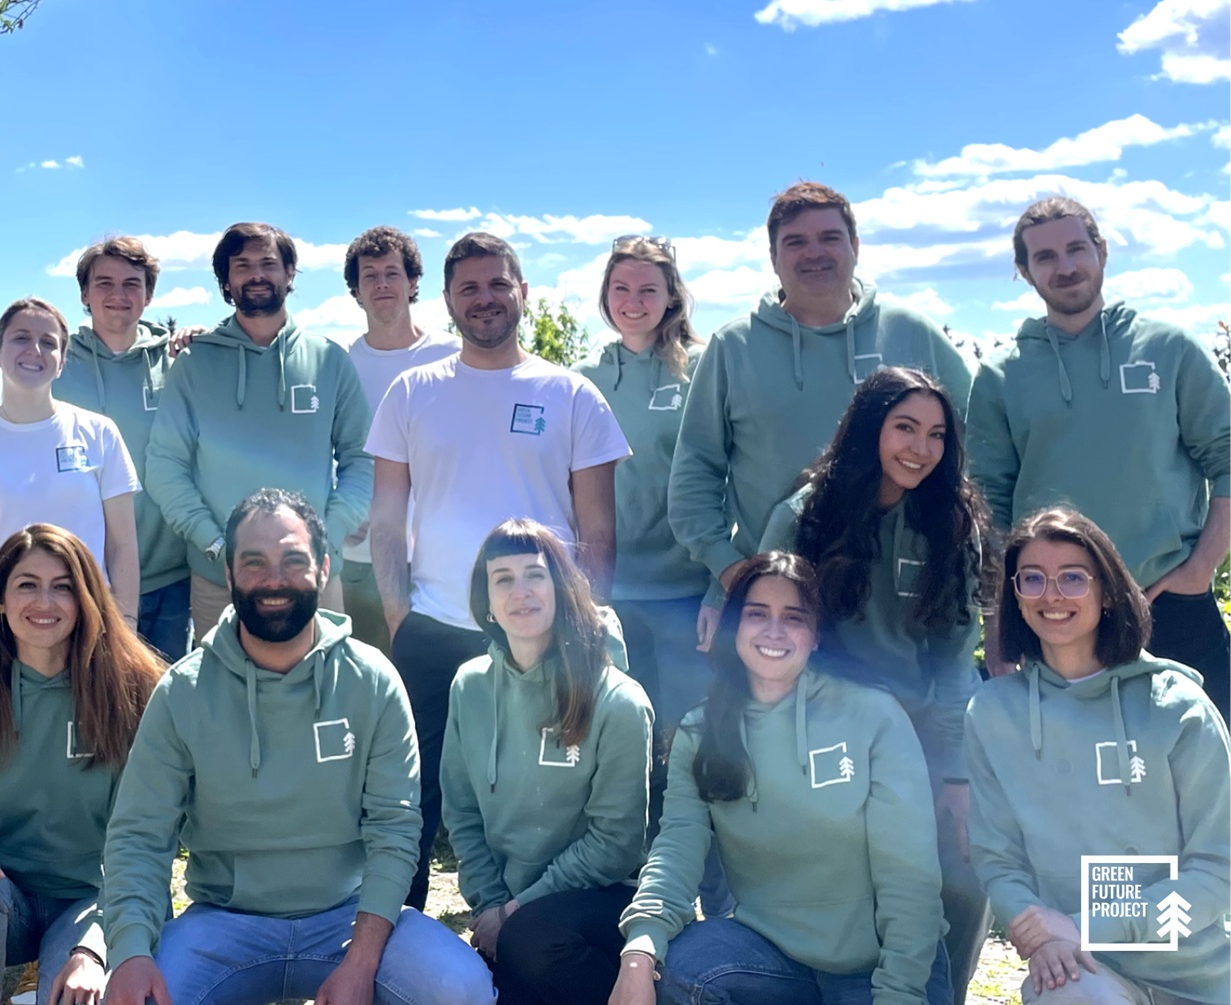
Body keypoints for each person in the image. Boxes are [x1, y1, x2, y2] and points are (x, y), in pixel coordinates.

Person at [100, 489, 493, 1005]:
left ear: (324, 569)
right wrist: (130, 950)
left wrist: (361, 963)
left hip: (349, 918)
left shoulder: (372, 681)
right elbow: (138, 835)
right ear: (229, 575)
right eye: (254, 562)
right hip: (223, 924)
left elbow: (395, 830)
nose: (274, 579)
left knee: (462, 990)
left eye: (293, 560)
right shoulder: (183, 692)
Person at [368, 230, 630, 910]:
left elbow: (598, 530)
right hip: (434, 625)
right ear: (448, 300)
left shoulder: (572, 394)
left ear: (523, 292)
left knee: (544, 789)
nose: (484, 299)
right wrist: (400, 616)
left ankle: (533, 923)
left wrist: (584, 627)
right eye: (469, 288)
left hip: (544, 634)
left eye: (497, 284)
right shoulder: (410, 392)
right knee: (413, 792)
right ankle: (400, 927)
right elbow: (387, 520)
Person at [612, 552, 952, 1005]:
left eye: (794, 617)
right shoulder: (701, 731)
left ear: (816, 635)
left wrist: (900, 992)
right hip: (773, 960)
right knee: (684, 969)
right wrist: (639, 950)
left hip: (879, 967)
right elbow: (676, 851)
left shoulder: (872, 715)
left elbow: (910, 876)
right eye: (757, 614)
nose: (774, 631)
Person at [757, 365, 993, 1001]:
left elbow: (953, 658)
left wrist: (957, 775)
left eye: (937, 435)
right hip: (823, 729)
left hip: (923, 733)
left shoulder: (951, 523)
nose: (921, 448)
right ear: (870, 429)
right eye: (905, 428)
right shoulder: (805, 516)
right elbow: (768, 637)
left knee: (962, 866)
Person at [669, 181, 974, 643]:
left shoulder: (912, 333)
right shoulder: (734, 347)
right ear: (773, 258)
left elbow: (974, 443)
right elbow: (695, 470)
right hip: (773, 601)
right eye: (795, 242)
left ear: (855, 246)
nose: (814, 253)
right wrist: (731, 574)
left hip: (896, 607)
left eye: (830, 237)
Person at [968, 197, 1231, 717]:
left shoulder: (1169, 348)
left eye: (1076, 249)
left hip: (1169, 600)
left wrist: (1202, 567)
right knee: (1067, 763)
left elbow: (1226, 455)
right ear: (1025, 271)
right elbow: (988, 506)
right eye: (1045, 257)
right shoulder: (1002, 374)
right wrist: (997, 620)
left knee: (1209, 758)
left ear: (1102, 252)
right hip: (1053, 609)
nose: (1065, 267)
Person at [965, 507, 1231, 1005]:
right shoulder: (993, 713)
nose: (1052, 594)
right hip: (1082, 969)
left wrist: (1082, 927)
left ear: (1107, 591)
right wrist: (1042, 935)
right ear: (1015, 596)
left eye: (1072, 577)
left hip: (1199, 980)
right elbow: (998, 860)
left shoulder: (1179, 707)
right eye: (1032, 578)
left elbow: (1219, 871)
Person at [0, 524, 166, 1005]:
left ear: (86, 600)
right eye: (27, 585)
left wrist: (93, 948)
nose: (44, 602)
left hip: (92, 903)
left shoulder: (132, 694)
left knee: (81, 995)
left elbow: (148, 844)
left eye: (62, 587)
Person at [442, 519, 654, 1005]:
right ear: (486, 602)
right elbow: (462, 812)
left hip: (600, 904)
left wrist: (514, 913)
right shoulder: (469, 687)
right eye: (503, 579)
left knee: (532, 942)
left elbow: (615, 844)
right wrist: (492, 905)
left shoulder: (618, 700)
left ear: (561, 589)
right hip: (509, 912)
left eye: (535, 575)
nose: (521, 591)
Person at [144, 222, 374, 640]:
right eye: (242, 265)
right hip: (219, 579)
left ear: (289, 273)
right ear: (226, 281)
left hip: (313, 575)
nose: (256, 275)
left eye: (268, 263)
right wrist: (214, 545)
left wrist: (329, 536)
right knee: (223, 683)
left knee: (323, 681)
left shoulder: (330, 360)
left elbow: (361, 458)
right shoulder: (194, 364)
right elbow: (164, 465)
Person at [0, 297, 140, 647]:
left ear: (61, 362)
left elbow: (122, 545)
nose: (35, 350)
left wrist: (126, 628)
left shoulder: (100, 433)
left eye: (48, 342)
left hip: (86, 607)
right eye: (21, 338)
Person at [573, 236, 710, 734]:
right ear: (605, 295)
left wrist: (721, 585)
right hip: (605, 590)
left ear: (671, 295)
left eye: (648, 289)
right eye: (621, 288)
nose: (633, 302)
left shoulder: (702, 368)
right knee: (619, 731)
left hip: (685, 589)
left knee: (685, 733)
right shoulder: (581, 378)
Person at [53, 237, 193, 661]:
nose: (119, 294)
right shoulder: (56, 363)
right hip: (80, 576)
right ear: (84, 294)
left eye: (132, 284)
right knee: (89, 697)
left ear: (148, 296)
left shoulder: (178, 363)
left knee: (161, 696)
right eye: (104, 283)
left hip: (169, 577)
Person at [337, 226, 460, 657]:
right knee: (369, 680)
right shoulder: (340, 364)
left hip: (441, 558)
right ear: (356, 290)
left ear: (412, 282)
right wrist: (341, 510)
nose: (382, 284)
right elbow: (323, 450)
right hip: (361, 560)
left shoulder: (454, 356)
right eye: (369, 276)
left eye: (392, 273)